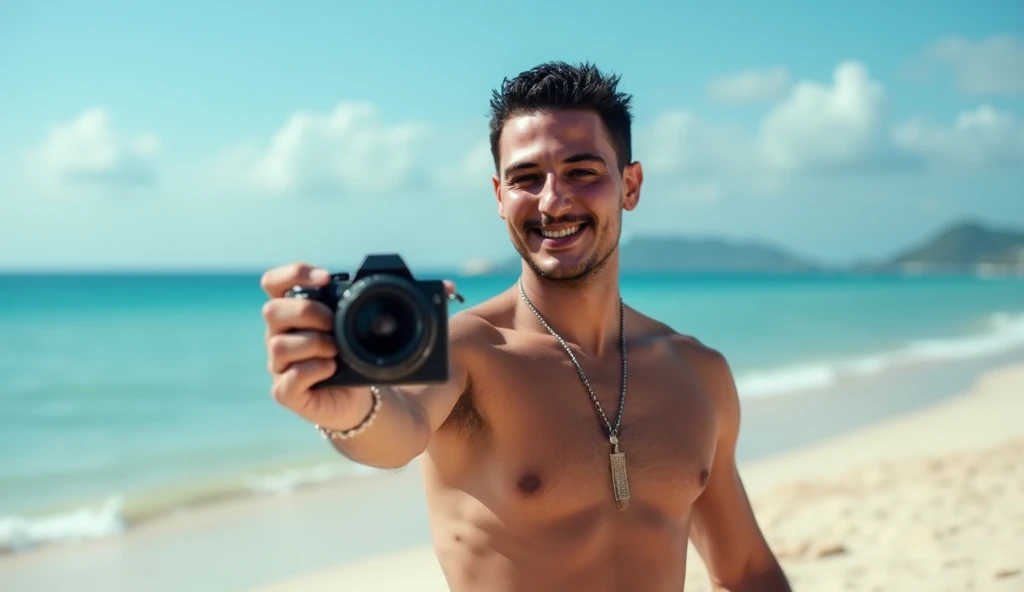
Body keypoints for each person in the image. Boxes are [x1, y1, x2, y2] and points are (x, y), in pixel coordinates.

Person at [260, 61, 791, 592]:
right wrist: (348, 410)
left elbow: (747, 570)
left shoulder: (697, 372)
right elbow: (397, 430)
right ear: (499, 195)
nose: (552, 201)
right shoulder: (468, 350)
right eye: (526, 178)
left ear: (630, 185)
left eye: (582, 171)